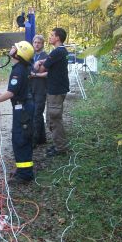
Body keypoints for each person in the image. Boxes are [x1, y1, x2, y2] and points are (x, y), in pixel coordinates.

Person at [0, 41, 35, 183]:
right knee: (22, 138)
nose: (12, 48)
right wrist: (2, 93)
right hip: (24, 106)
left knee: (21, 140)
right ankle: (22, 170)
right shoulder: (23, 67)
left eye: (15, 48)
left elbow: (12, 93)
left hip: (22, 108)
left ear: (19, 54)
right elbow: (16, 90)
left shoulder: (18, 70)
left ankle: (25, 175)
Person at [34, 28, 69, 157]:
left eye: (52, 35)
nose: (49, 37)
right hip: (58, 89)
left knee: (54, 119)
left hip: (56, 90)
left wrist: (38, 65)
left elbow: (43, 68)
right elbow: (51, 61)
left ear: (58, 38)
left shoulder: (56, 52)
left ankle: (61, 148)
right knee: (51, 119)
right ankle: (58, 144)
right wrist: (43, 60)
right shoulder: (61, 51)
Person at [30, 35, 48, 148]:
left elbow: (47, 73)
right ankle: (42, 138)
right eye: (35, 42)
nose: (36, 44)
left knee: (36, 114)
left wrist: (35, 74)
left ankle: (34, 140)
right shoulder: (29, 55)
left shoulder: (46, 56)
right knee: (35, 113)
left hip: (41, 89)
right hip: (31, 88)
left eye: (39, 43)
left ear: (42, 44)